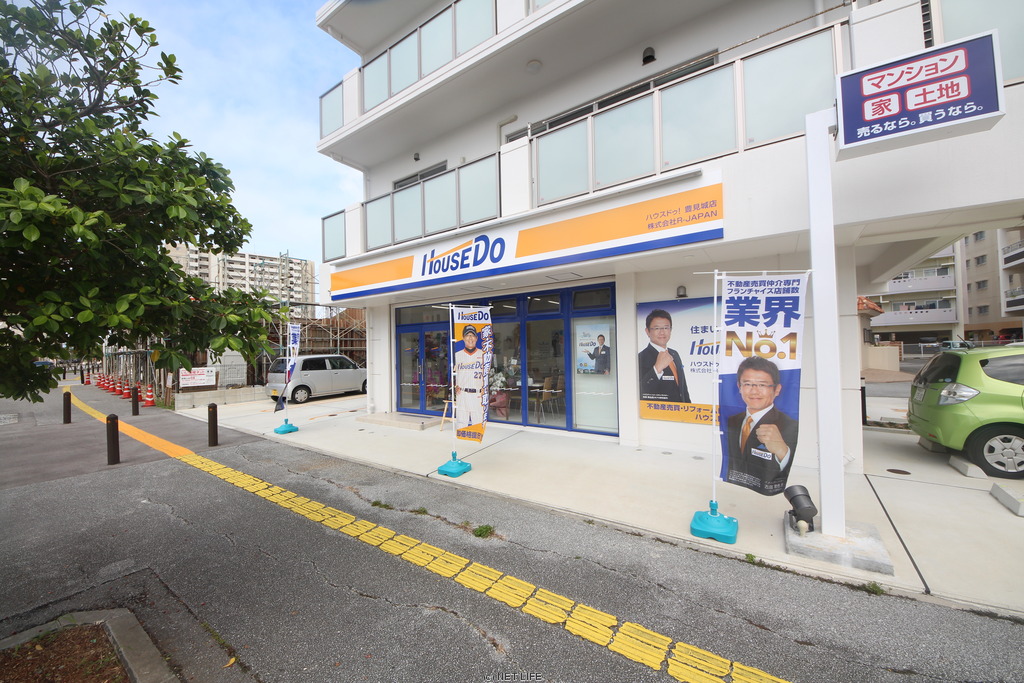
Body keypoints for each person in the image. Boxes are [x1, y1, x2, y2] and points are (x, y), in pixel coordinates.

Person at [725, 356, 799, 496]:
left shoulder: (789, 424)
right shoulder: (732, 421)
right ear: (739, 387)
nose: (754, 391)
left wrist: (782, 451)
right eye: (748, 384)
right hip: (735, 488)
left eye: (762, 385)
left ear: (777, 389)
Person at [638, 309, 690, 403]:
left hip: (681, 410)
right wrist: (657, 369)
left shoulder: (674, 354)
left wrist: (689, 408)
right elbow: (640, 391)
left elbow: (683, 390)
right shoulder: (641, 357)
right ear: (647, 331)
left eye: (666, 328)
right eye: (657, 328)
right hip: (657, 411)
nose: (662, 332)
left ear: (670, 330)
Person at [453, 325, 485, 428]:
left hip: (478, 393)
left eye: (472, 335)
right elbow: (454, 373)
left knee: (478, 423)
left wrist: (485, 387)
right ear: (463, 338)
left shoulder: (483, 354)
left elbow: (487, 374)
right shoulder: (457, 355)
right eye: (467, 335)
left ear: (476, 338)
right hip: (462, 393)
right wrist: (455, 385)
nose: (470, 338)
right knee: (461, 423)